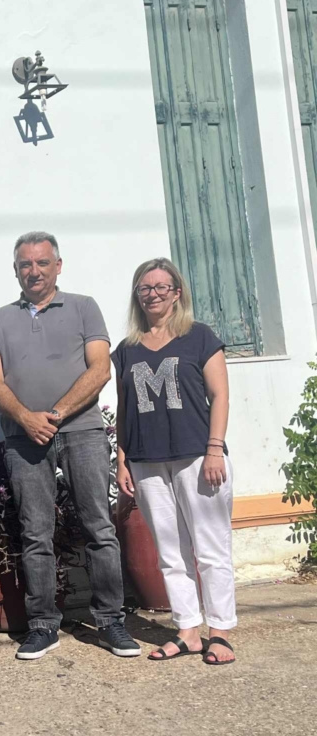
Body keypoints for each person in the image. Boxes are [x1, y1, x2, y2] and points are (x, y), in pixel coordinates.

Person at [0, 231, 140, 661]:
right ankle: (42, 626)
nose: (33, 271)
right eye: (25, 264)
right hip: (24, 437)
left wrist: (54, 414)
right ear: (15, 270)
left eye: (42, 263)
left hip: (82, 431)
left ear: (58, 266)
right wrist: (26, 418)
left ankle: (110, 621)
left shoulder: (84, 307)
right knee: (35, 533)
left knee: (98, 527)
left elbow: (100, 369)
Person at [113, 258, 236, 665]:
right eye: (145, 288)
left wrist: (214, 448)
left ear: (177, 293)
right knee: (169, 552)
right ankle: (188, 631)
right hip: (147, 461)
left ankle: (220, 632)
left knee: (211, 548)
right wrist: (123, 460)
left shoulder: (199, 337)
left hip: (198, 457)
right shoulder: (127, 350)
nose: (153, 294)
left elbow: (219, 395)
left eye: (161, 287)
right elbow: (125, 408)